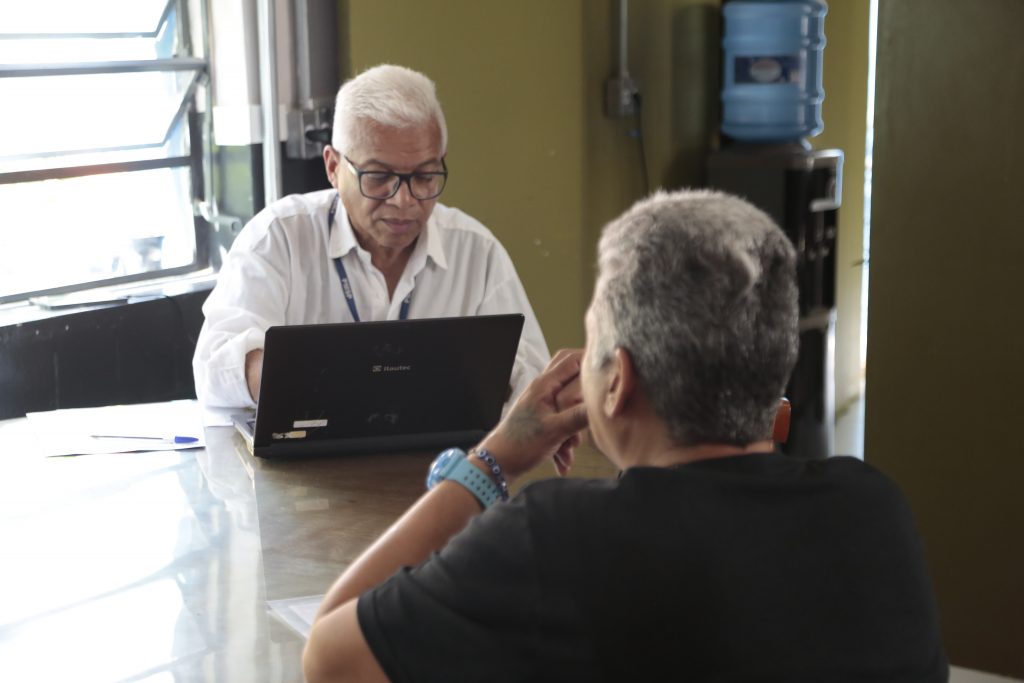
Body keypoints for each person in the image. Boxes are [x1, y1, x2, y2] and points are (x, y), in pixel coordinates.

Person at [302, 189, 948, 682]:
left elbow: (330, 658)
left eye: (594, 343)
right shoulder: (874, 510)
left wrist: (491, 460)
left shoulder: (553, 538)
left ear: (617, 382)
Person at [192, 64, 549, 408]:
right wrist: (310, 378)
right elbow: (214, 366)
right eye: (378, 177)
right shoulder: (279, 237)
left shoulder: (476, 251)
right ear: (333, 167)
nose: (403, 200)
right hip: (313, 441)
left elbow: (532, 378)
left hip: (445, 446)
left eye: (424, 177)